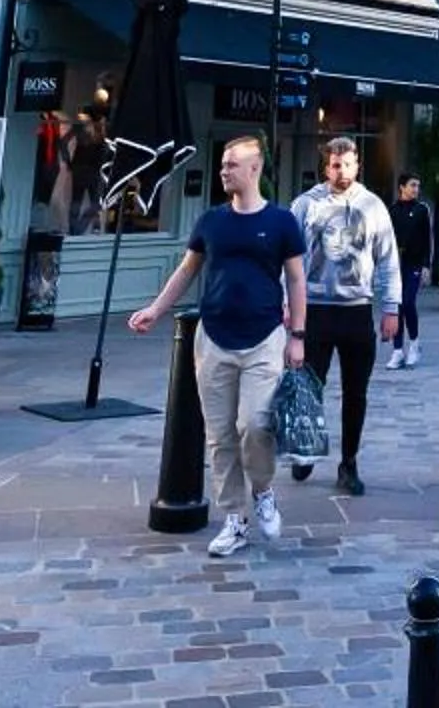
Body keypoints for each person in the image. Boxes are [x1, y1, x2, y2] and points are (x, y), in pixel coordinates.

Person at [128, 135, 307, 558]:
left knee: (255, 424)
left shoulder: (282, 222)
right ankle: (235, 518)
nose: (223, 170)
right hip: (213, 338)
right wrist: (155, 309)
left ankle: (263, 491)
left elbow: (298, 280)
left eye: (231, 164)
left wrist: (297, 336)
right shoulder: (211, 221)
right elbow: (186, 270)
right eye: (223, 164)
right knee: (220, 435)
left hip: (264, 337)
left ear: (255, 169)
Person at [289, 135, 400, 496]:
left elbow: (388, 259)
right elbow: (287, 260)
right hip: (316, 310)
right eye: (336, 165)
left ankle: (348, 462)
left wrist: (391, 308)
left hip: (356, 311)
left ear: (357, 165)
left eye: (348, 164)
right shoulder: (306, 205)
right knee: (308, 388)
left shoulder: (373, 206)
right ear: (327, 167)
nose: (342, 171)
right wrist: (287, 303)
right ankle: (304, 450)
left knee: (357, 393)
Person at [387, 172, 437, 370]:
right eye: (412, 185)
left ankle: (414, 344)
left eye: (418, 186)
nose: (416, 189)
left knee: (408, 302)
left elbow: (428, 239)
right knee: (396, 305)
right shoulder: (392, 210)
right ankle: (397, 350)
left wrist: (426, 265)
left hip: (414, 264)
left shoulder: (422, 210)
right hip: (396, 264)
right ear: (402, 187)